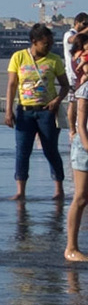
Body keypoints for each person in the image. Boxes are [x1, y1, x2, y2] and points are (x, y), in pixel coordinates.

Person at [8, 23, 68, 203]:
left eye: (50, 43)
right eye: (45, 43)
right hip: (25, 111)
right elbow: (12, 85)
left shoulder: (54, 60)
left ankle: (59, 189)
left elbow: (65, 85)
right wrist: (8, 111)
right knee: (22, 151)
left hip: (47, 112)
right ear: (34, 42)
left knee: (51, 151)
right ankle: (21, 191)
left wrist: (57, 100)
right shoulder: (18, 57)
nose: (49, 46)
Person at [66, 62, 88, 264]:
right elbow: (81, 125)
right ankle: (71, 247)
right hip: (84, 149)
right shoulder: (85, 89)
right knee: (81, 197)